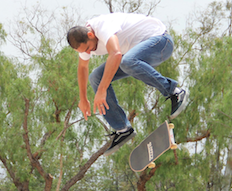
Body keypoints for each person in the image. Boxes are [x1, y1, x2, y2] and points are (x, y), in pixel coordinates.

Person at [67, 12, 188, 156]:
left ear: (91, 35)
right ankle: (122, 129)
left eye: (88, 48)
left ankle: (174, 91)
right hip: (137, 55)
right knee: (96, 77)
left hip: (161, 43)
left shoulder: (103, 26)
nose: (89, 52)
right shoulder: (85, 40)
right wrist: (83, 99)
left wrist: (102, 90)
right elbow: (82, 67)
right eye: (84, 51)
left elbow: (116, 54)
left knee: (126, 61)